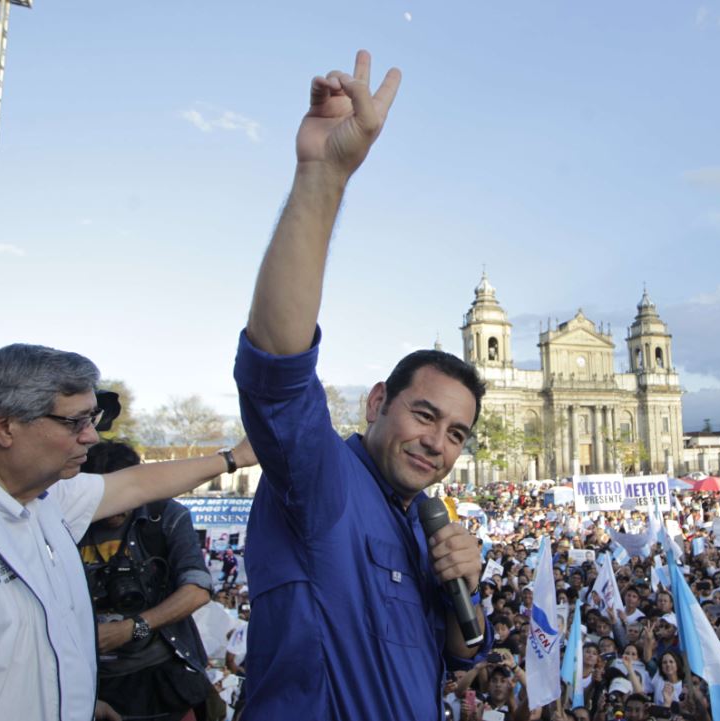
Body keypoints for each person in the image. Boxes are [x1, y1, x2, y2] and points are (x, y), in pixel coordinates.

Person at [234, 50, 492, 720]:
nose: (437, 443)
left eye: (457, 433)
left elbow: (465, 656)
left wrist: (467, 588)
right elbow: (279, 370)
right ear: (379, 401)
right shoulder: (323, 482)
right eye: (425, 414)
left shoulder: (422, 524)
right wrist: (323, 177)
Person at [0, 343, 257, 721]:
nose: (92, 437)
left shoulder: (45, 498)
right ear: (4, 426)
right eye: (75, 422)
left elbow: (134, 486)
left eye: (92, 419)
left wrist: (78, 701)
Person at [78, 440, 219, 721]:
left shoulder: (164, 517)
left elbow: (197, 590)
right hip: (87, 682)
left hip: (160, 681)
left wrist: (132, 629)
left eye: (122, 496)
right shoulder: (67, 518)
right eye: (106, 496)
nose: (115, 509)